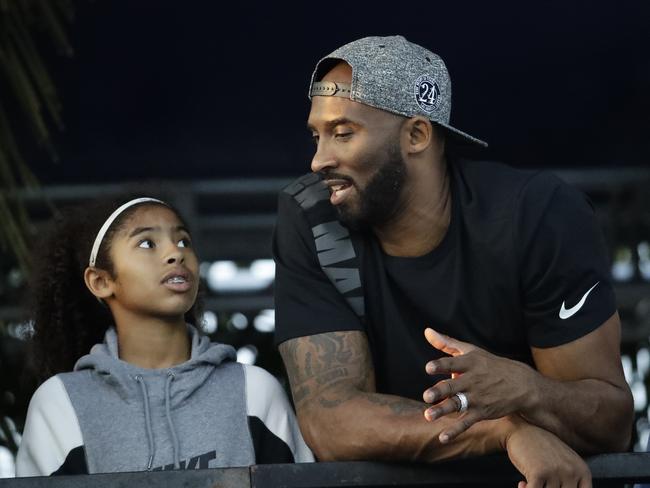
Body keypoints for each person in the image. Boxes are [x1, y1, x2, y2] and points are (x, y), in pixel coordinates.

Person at [272, 35, 633, 486]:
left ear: (417, 135)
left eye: (343, 133)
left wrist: (526, 388)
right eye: (316, 135)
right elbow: (331, 421)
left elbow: (612, 423)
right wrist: (502, 427)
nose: (319, 159)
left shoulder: (537, 215)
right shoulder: (311, 216)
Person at [16, 195, 313, 476]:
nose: (175, 254)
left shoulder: (255, 391)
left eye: (184, 241)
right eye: (147, 243)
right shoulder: (61, 403)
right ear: (101, 281)